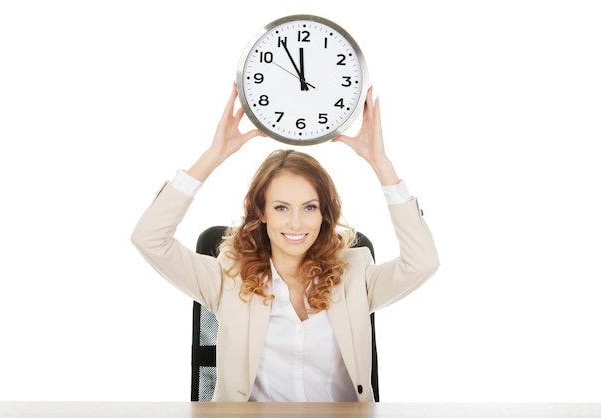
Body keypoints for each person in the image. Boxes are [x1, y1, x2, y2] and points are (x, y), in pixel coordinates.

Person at [131, 83, 439, 402]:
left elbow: (423, 262)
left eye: (309, 207)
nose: (295, 222)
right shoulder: (227, 277)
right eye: (281, 208)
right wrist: (213, 156)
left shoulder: (355, 275)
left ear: (324, 214)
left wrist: (380, 163)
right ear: (261, 213)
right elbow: (149, 238)